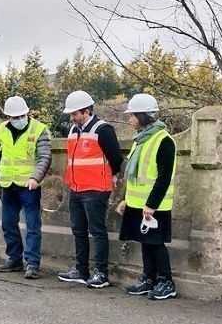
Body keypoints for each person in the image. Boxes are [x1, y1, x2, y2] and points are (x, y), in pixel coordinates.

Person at [57, 90, 123, 288]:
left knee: (97, 231)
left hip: (96, 188)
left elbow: (116, 158)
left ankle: (101, 273)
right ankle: (81, 270)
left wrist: (113, 176)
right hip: (76, 187)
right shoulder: (73, 130)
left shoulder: (103, 129)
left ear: (86, 111)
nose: (72, 117)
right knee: (78, 230)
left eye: (75, 114)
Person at [116, 94, 177, 300]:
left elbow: (164, 177)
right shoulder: (140, 139)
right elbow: (133, 175)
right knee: (145, 242)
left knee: (156, 244)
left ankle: (166, 282)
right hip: (137, 203)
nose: (129, 119)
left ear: (143, 115)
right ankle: (148, 279)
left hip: (155, 206)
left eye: (132, 114)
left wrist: (151, 204)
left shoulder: (164, 141)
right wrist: (125, 198)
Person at [0, 96, 52, 280]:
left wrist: (35, 177)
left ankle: (32, 263)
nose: (17, 120)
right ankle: (14, 259)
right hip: (7, 184)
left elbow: (45, 157)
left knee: (32, 226)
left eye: (21, 116)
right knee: (8, 224)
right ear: (8, 116)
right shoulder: (2, 129)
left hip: (29, 186)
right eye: (13, 117)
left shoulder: (39, 129)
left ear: (27, 113)